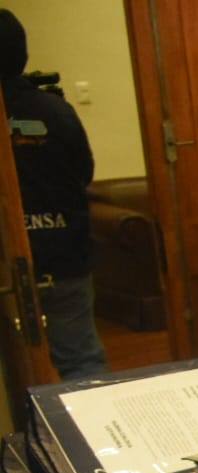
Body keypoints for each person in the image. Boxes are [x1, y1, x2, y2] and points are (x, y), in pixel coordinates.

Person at [0, 9, 108, 381]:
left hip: (11, 265)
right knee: (81, 360)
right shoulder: (56, 110)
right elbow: (85, 172)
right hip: (65, 254)